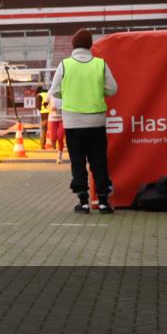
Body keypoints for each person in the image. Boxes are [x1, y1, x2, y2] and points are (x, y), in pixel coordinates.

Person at [49, 28, 118, 214]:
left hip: (73, 123)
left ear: (73, 45)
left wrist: (70, 93)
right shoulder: (100, 64)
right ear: (90, 45)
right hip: (96, 122)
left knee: (77, 162)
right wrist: (95, 91)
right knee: (99, 162)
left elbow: (54, 91)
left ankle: (83, 201)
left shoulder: (64, 65)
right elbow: (113, 89)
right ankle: (103, 201)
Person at [45, 93, 66, 163]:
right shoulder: (50, 93)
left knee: (60, 137)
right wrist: (50, 108)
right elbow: (45, 104)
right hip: (52, 119)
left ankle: (59, 156)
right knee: (53, 138)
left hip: (62, 119)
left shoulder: (64, 92)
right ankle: (54, 143)